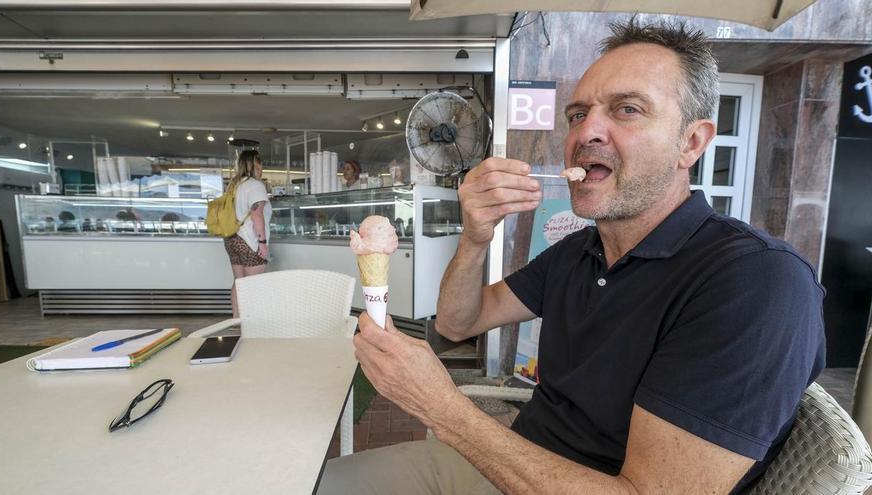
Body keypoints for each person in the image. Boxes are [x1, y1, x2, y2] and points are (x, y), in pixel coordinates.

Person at [319, 18, 826, 494]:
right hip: (505, 463)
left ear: (691, 143)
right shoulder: (581, 252)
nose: (586, 133)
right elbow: (457, 323)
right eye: (579, 114)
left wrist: (443, 409)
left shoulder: (753, 282)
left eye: (628, 109)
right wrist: (476, 236)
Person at [223, 149, 271, 317]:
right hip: (249, 241)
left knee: (239, 283)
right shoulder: (255, 185)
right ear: (255, 164)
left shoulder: (234, 185)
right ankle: (252, 325)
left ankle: (236, 321)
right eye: (260, 162)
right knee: (253, 286)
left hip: (232, 239)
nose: (262, 166)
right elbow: (256, 214)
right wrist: (263, 243)